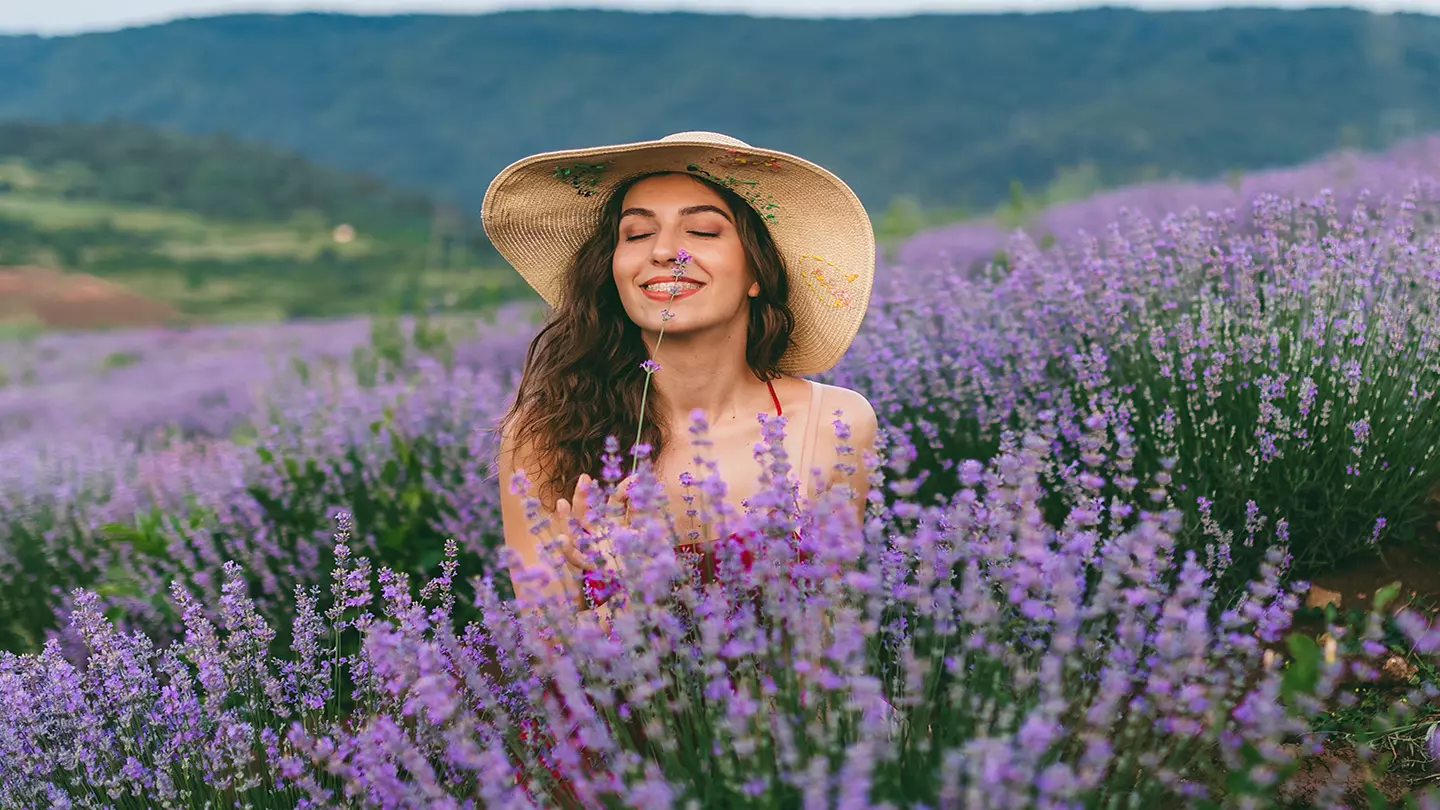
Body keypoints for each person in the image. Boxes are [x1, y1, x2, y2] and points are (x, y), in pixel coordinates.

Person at [482, 131, 878, 613]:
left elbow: (830, 637)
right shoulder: (548, 435)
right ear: (612, 269)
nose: (667, 251)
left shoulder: (834, 422)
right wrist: (623, 592)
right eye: (637, 234)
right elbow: (543, 655)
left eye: (704, 232)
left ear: (758, 272)